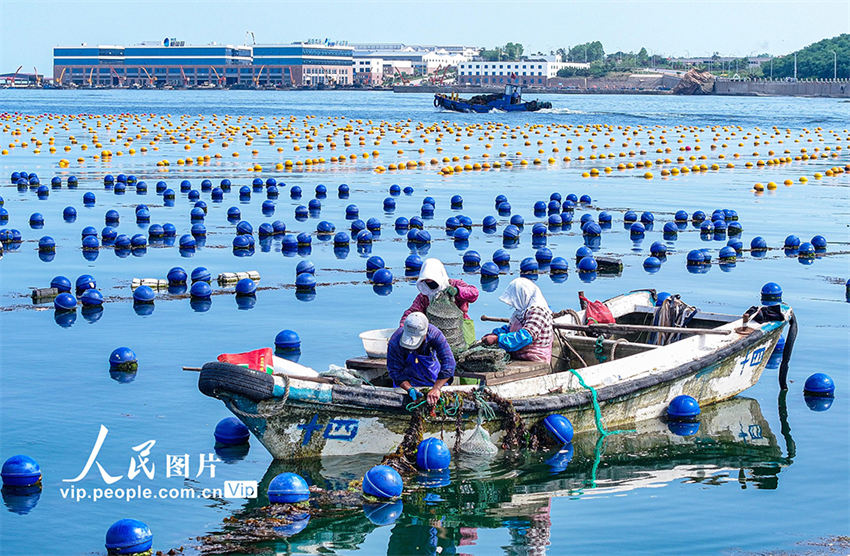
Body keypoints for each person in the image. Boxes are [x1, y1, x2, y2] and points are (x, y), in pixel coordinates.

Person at [401, 258, 479, 345]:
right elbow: (412, 313)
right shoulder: (424, 296)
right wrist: (403, 328)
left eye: (433, 281)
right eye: (427, 282)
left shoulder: (454, 284)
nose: (430, 285)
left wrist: (457, 291)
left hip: (460, 328)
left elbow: (474, 293)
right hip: (436, 331)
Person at [387, 312, 455, 405]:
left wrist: (436, 388)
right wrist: (409, 389)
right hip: (406, 379)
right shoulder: (395, 341)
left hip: (431, 376)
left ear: (425, 334)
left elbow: (449, 364)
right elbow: (395, 371)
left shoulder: (435, 335)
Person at [481, 278, 553, 362]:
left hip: (534, 359)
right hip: (518, 356)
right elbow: (510, 328)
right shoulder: (520, 312)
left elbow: (526, 337)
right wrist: (495, 333)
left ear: (522, 295)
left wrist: (497, 339)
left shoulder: (538, 312)